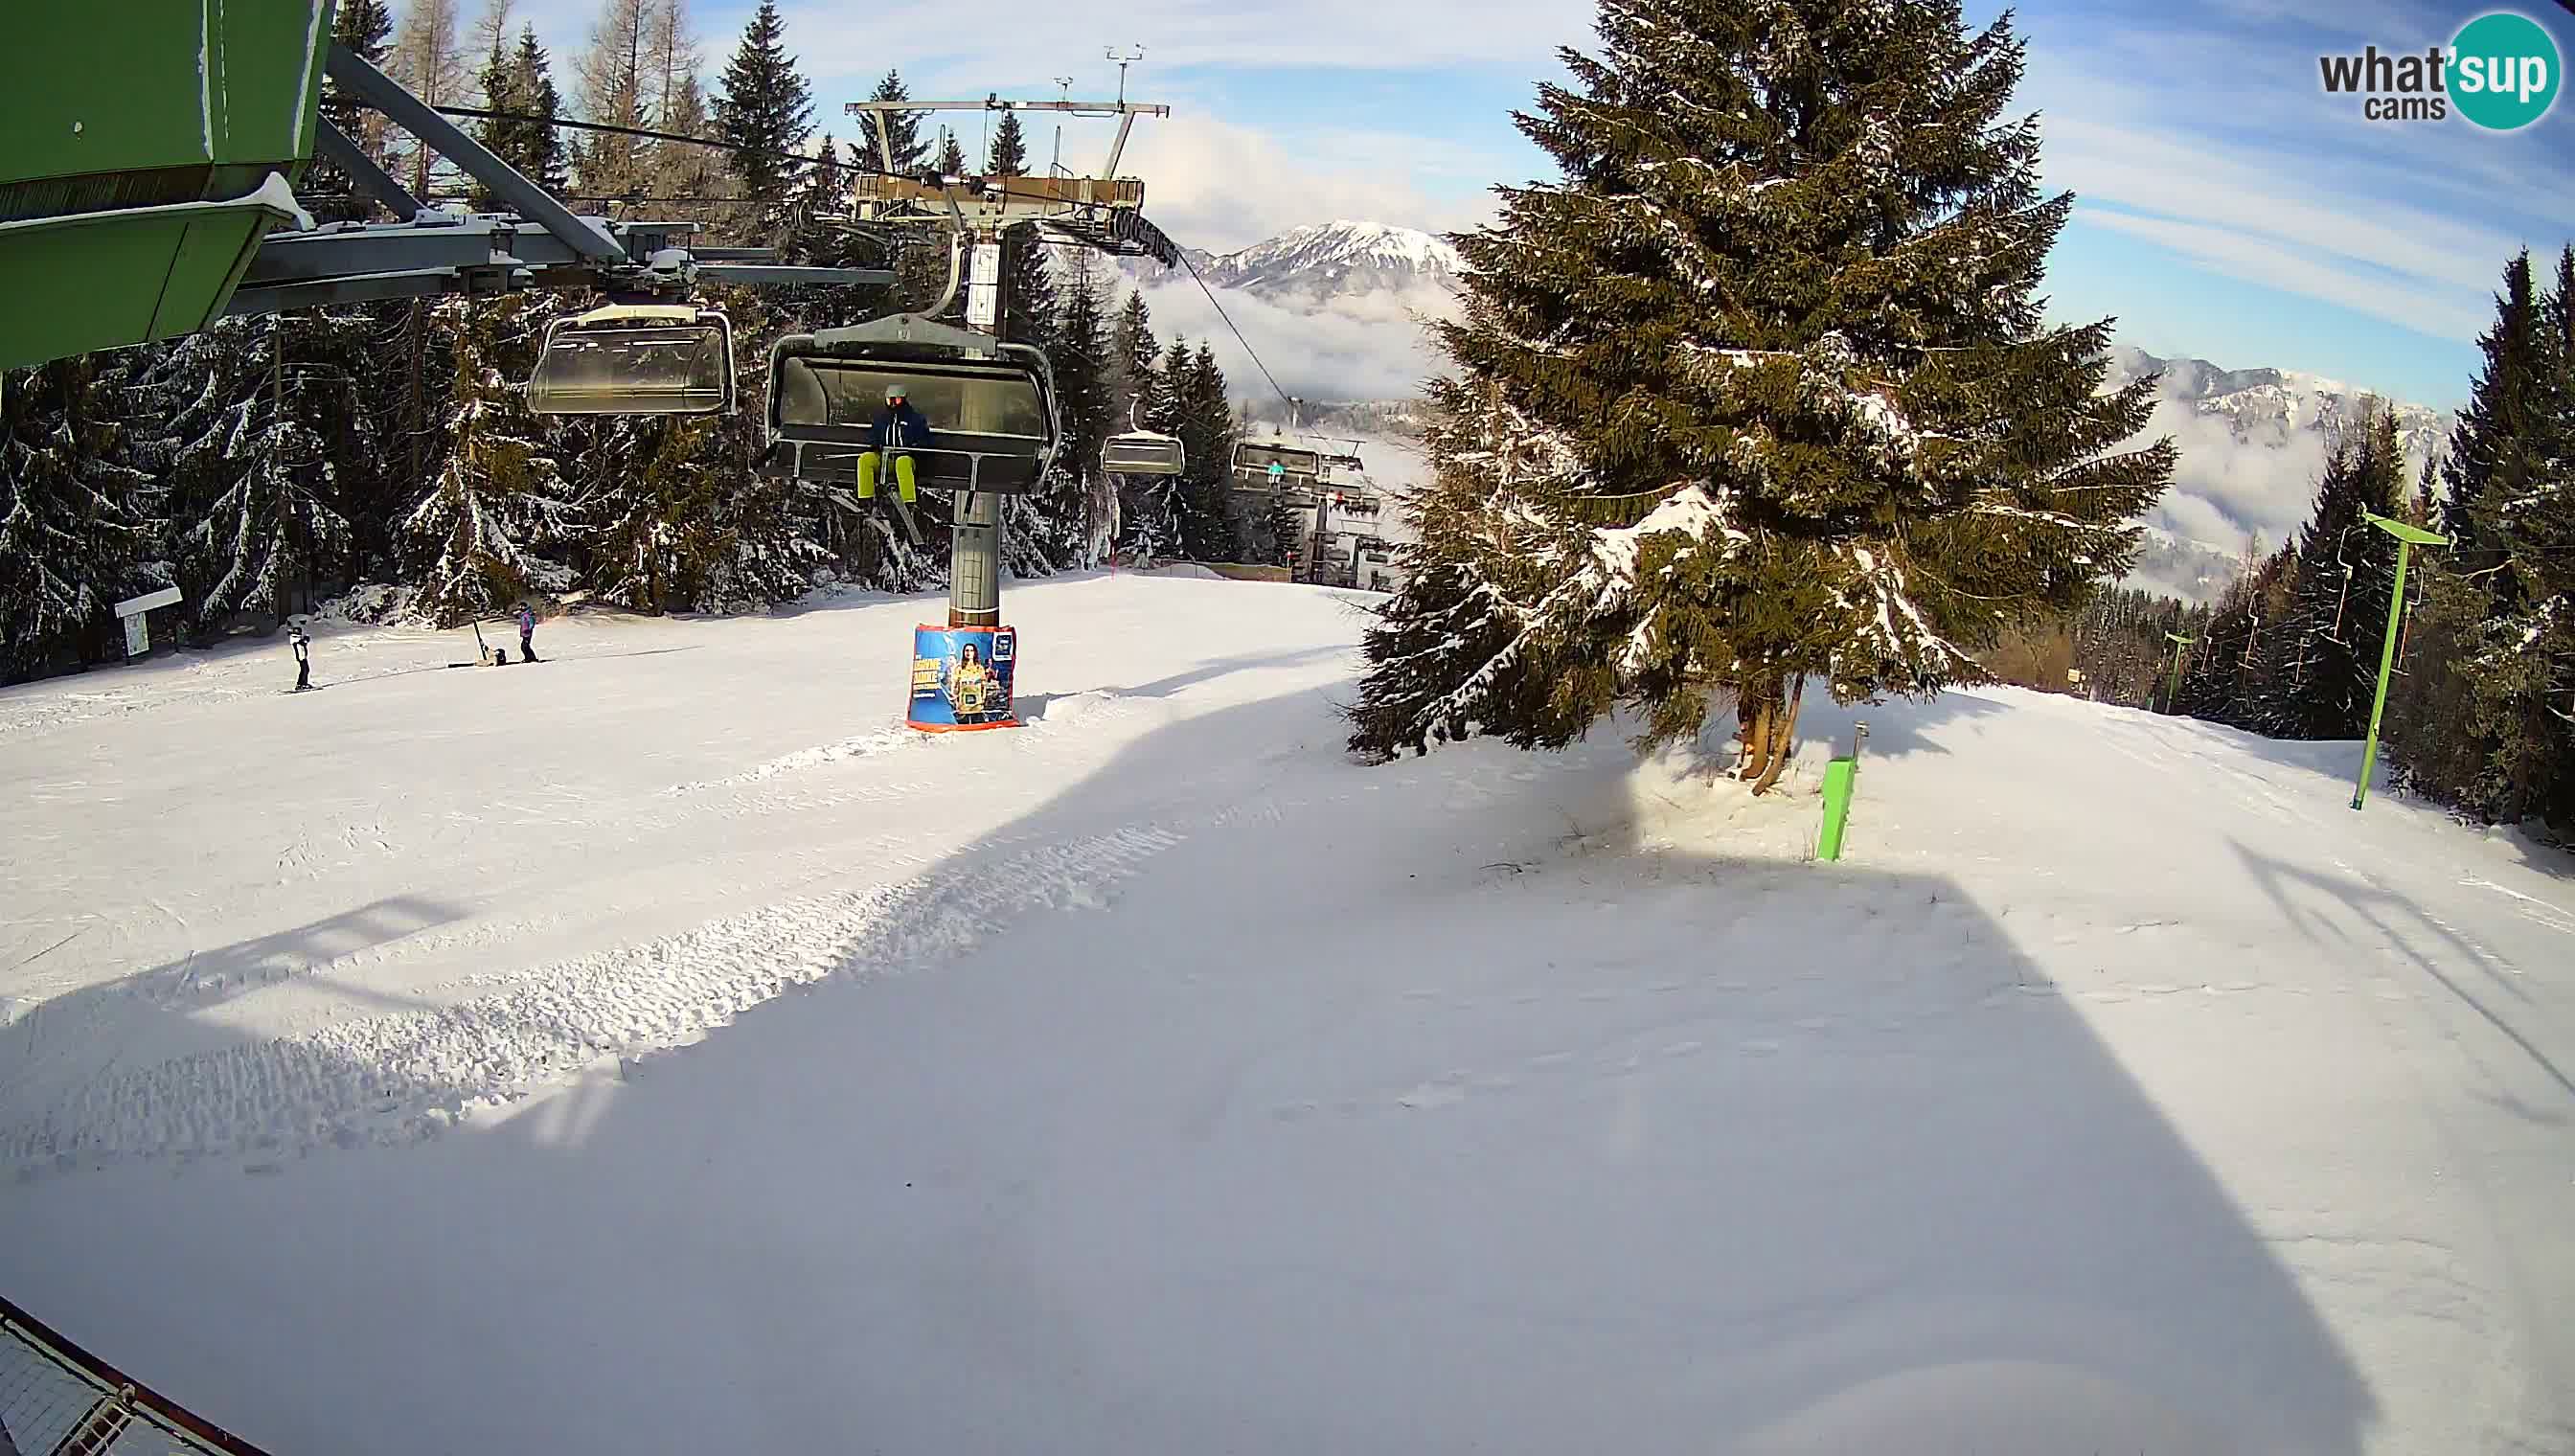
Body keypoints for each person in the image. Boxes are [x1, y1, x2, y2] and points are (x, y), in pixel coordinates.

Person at [857, 382, 931, 505]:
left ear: (903, 400)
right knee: (865, 459)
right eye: (889, 400)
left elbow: (925, 439)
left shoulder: (914, 419)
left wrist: (914, 447)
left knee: (902, 462)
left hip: (905, 460)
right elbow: (872, 436)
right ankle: (866, 500)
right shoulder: (881, 419)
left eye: (895, 401)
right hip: (885, 459)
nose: (892, 404)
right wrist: (874, 444)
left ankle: (908, 503)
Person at [288, 623, 311, 691]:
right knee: (305, 670)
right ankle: (303, 684)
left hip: (302, 657)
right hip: (301, 657)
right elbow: (302, 642)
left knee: (304, 670)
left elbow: (303, 642)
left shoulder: (296, 638)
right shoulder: (295, 639)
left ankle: (301, 683)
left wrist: (305, 640)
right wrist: (306, 640)